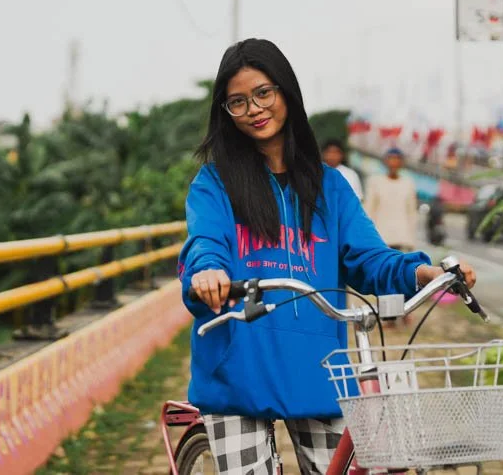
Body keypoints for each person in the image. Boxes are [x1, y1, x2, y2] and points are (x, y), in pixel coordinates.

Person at [179, 39, 475, 474]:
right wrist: (208, 271)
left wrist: (425, 271)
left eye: (263, 93)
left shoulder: (330, 187)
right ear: (226, 113)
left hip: (317, 370)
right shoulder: (215, 183)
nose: (255, 109)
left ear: (286, 92)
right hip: (239, 365)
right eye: (237, 103)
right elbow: (204, 243)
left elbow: (370, 259)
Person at [364, 147, 419, 252]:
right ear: (385, 161)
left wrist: (412, 240)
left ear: (402, 162)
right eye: (391, 159)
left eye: (397, 159)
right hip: (380, 238)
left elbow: (412, 213)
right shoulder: (375, 181)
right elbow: (368, 210)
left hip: (402, 239)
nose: (394, 162)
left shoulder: (408, 183)